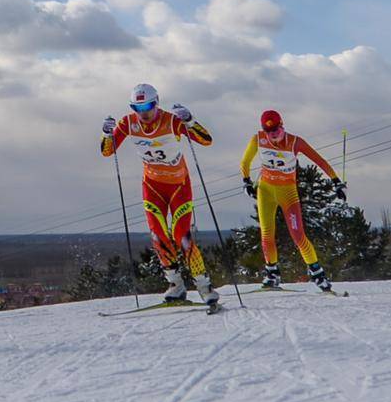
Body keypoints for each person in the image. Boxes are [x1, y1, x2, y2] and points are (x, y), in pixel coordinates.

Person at [101, 84, 218, 309]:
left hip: (178, 185)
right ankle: (175, 284)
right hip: (152, 186)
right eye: (137, 107)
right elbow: (108, 151)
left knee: (181, 235)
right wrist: (107, 133)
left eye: (148, 106)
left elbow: (206, 140)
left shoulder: (171, 121)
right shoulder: (128, 123)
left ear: (157, 103)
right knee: (157, 235)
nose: (143, 112)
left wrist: (190, 120)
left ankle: (204, 286)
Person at [238, 108, 340, 291]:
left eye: (276, 130)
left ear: (282, 126)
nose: (273, 135)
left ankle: (318, 274)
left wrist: (336, 181)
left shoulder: (295, 142)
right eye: (269, 132)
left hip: (288, 193)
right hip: (266, 191)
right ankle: (272, 273)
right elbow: (244, 162)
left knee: (298, 236)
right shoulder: (258, 140)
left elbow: (320, 161)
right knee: (266, 235)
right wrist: (246, 181)